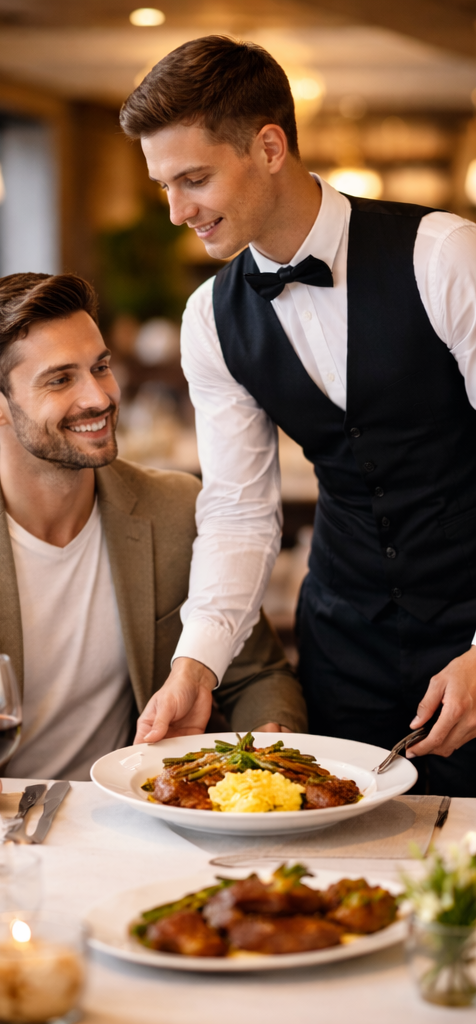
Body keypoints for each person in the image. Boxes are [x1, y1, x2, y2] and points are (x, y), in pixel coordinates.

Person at [122, 36, 476, 796]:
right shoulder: (209, 319)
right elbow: (240, 512)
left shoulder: (443, 254)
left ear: (270, 146)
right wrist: (197, 665)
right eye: (164, 186)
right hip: (343, 638)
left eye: (194, 179)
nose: (178, 211)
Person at [0, 271, 306, 783]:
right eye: (61, 379)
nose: (99, 398)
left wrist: (261, 771)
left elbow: (258, 676)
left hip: (135, 817)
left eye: (100, 367)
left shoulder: (178, 509)